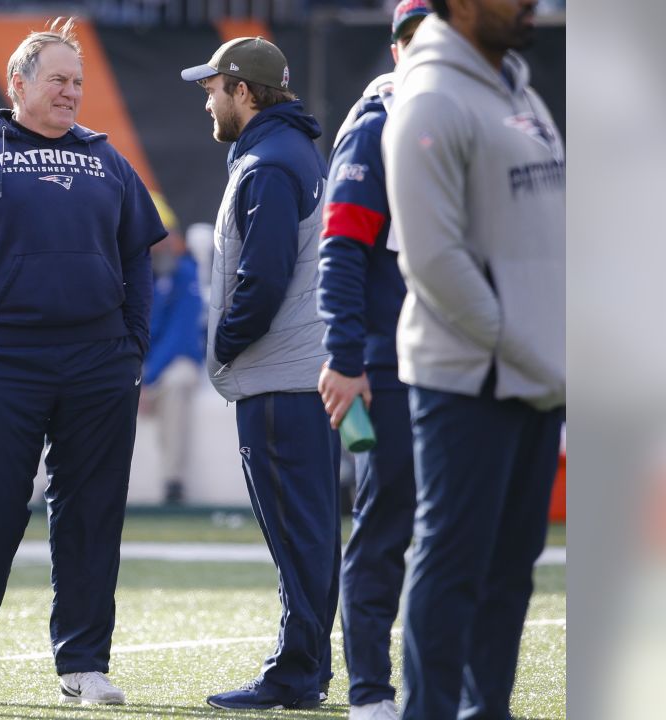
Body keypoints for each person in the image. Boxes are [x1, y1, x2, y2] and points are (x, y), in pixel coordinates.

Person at [0, 17, 165, 706]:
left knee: (93, 513)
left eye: (78, 82)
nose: (71, 93)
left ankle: (83, 663)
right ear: (18, 83)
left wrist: (132, 347)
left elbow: (139, 256)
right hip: (1, 358)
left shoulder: (108, 158)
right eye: (57, 81)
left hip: (99, 361)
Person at [381, 1, 565, 718]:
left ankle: (486, 709)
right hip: (468, 379)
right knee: (454, 566)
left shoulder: (521, 90)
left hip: (538, 374)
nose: (527, 2)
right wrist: (525, 345)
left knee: (510, 571)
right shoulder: (428, 97)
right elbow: (432, 260)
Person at [180, 37, 339, 711]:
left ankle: (297, 673)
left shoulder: (268, 163)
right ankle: (305, 667)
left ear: (244, 91)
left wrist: (225, 344)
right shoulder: (288, 151)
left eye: (214, 88)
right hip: (303, 374)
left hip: (280, 378)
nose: (207, 100)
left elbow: (263, 278)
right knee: (312, 533)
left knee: (300, 537)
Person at [317, 3, 430, 719]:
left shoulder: (478, 116)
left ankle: (438, 688)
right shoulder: (380, 121)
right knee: (385, 529)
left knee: (458, 536)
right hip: (390, 363)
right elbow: (342, 251)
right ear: (395, 50)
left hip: (463, 360)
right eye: (417, 39)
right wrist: (346, 355)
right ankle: (370, 692)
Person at [140, 193, 204, 505]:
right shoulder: (128, 274)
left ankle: (172, 481)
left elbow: (179, 338)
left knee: (178, 381)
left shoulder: (185, 275)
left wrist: (145, 379)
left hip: (170, 364)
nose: (162, 244)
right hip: (136, 365)